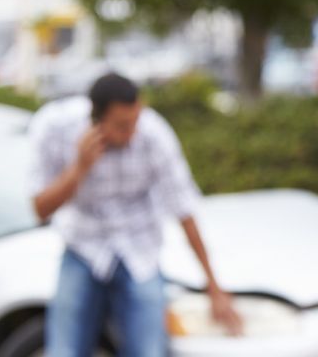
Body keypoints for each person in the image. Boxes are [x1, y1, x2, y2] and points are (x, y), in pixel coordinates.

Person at [31, 73, 243, 356]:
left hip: (139, 248)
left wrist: (214, 287)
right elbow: (40, 210)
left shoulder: (154, 134)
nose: (131, 132)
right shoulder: (56, 127)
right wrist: (79, 168)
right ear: (96, 120)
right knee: (63, 350)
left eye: (135, 121)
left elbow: (184, 209)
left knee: (149, 350)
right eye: (121, 126)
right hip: (83, 246)